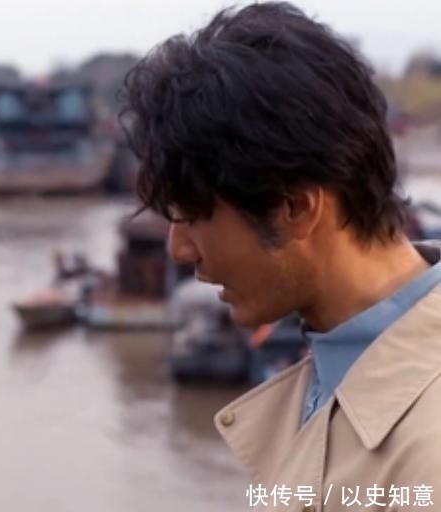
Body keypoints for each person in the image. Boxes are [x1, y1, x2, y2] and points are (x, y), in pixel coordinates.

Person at [121, 2, 441, 508]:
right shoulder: (330, 371)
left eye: (193, 216)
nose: (178, 250)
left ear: (296, 207)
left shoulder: (430, 454)